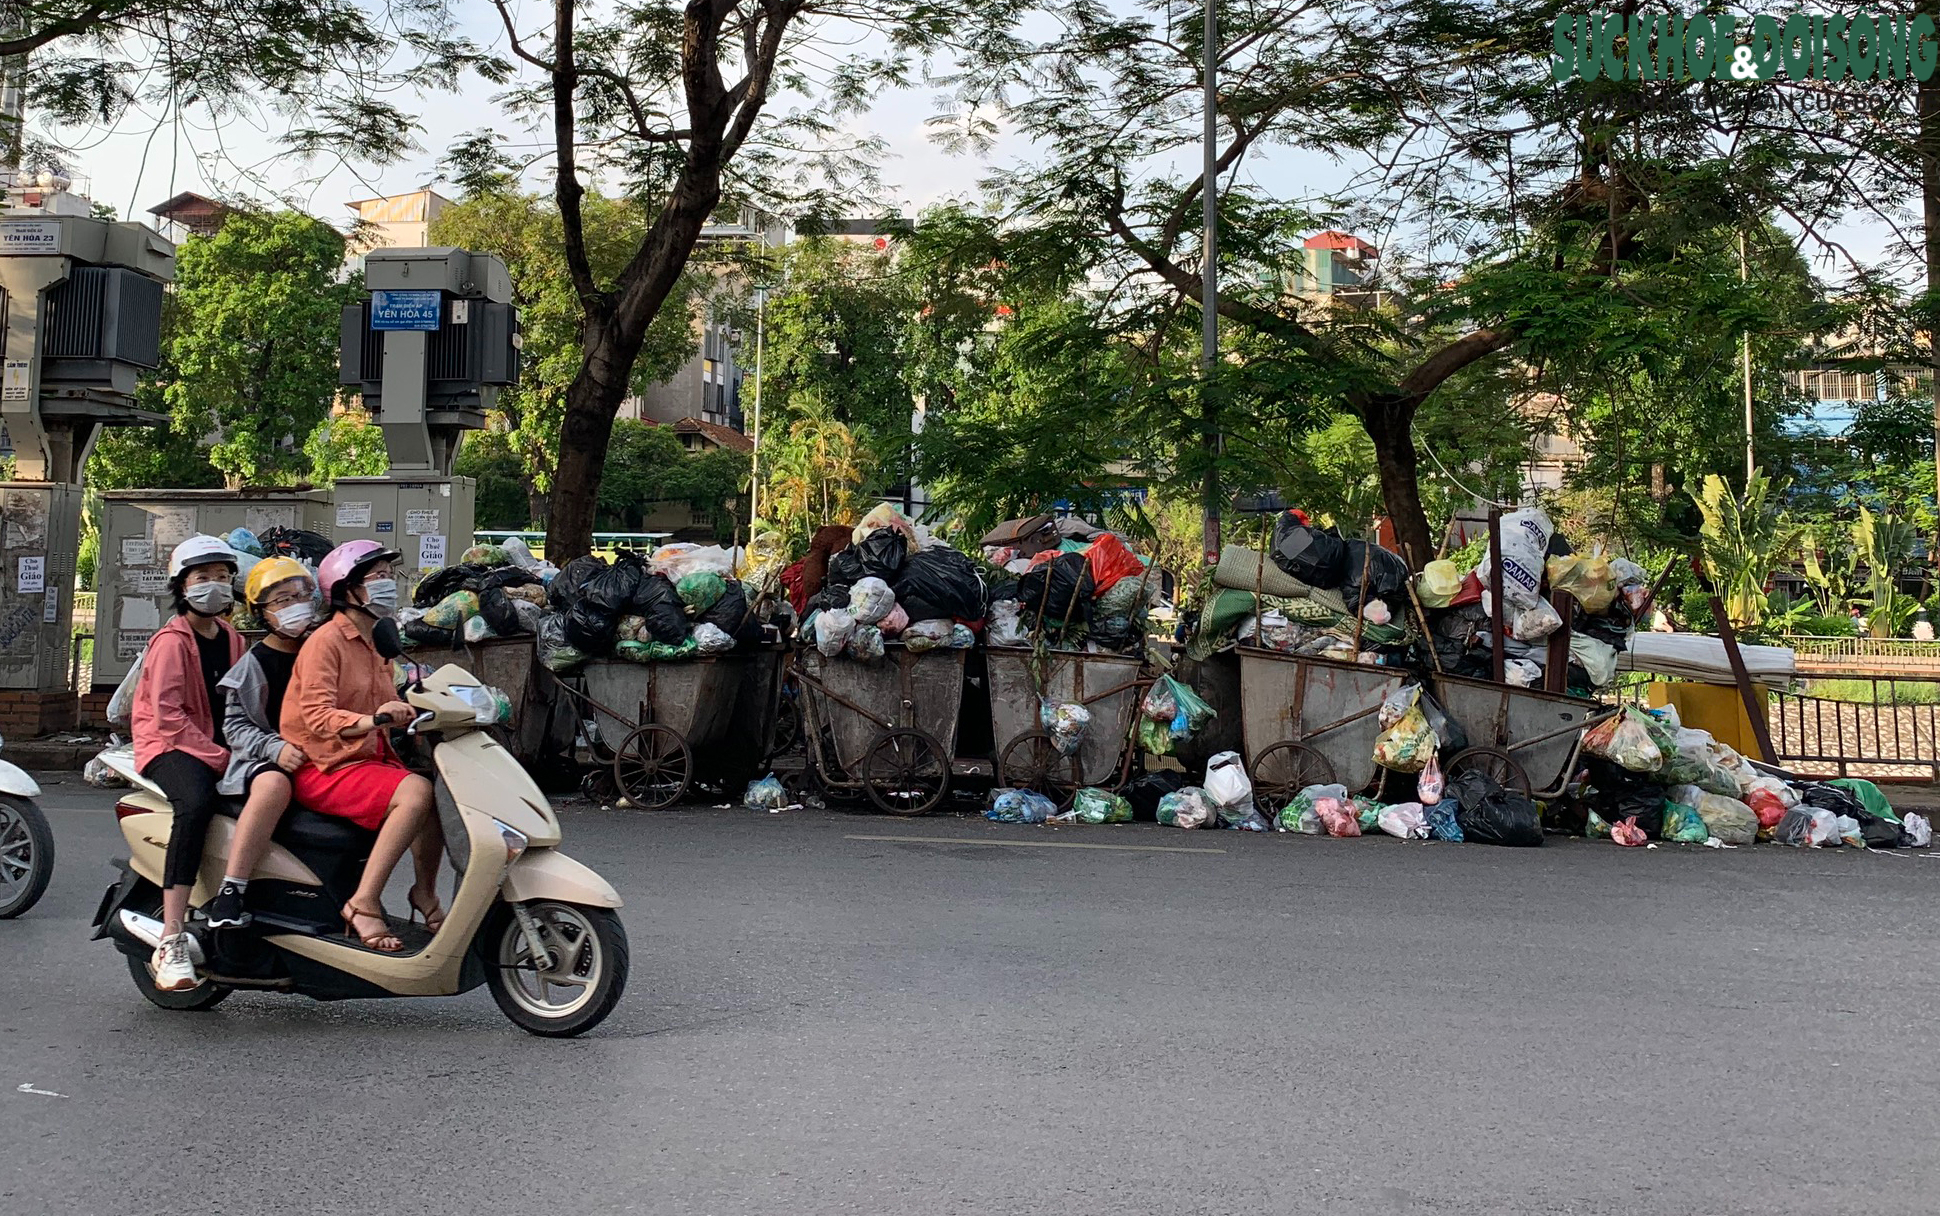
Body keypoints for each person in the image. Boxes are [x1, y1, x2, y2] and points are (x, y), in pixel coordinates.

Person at [281, 541, 441, 952]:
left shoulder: (379, 641)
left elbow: (390, 703)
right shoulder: (326, 641)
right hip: (323, 765)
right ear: (348, 589)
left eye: (391, 574)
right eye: (378, 576)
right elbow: (317, 717)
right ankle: (364, 902)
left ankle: (424, 893)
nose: (389, 583)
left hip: (365, 759)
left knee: (440, 791)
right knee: (416, 793)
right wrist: (373, 720)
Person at [129, 535, 245, 992]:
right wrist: (222, 759)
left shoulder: (232, 638)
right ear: (182, 586)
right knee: (195, 804)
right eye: (202, 578)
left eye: (222, 577)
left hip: (217, 745)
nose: (214, 586)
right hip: (168, 746)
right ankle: (172, 937)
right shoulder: (171, 642)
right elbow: (169, 717)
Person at [203, 557, 321, 929]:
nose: (294, 606)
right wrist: (275, 748)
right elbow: (235, 726)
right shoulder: (254, 664)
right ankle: (231, 890)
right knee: (273, 785)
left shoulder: (321, 651)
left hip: (322, 756)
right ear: (261, 613)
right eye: (282, 601)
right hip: (264, 759)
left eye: (301, 596)